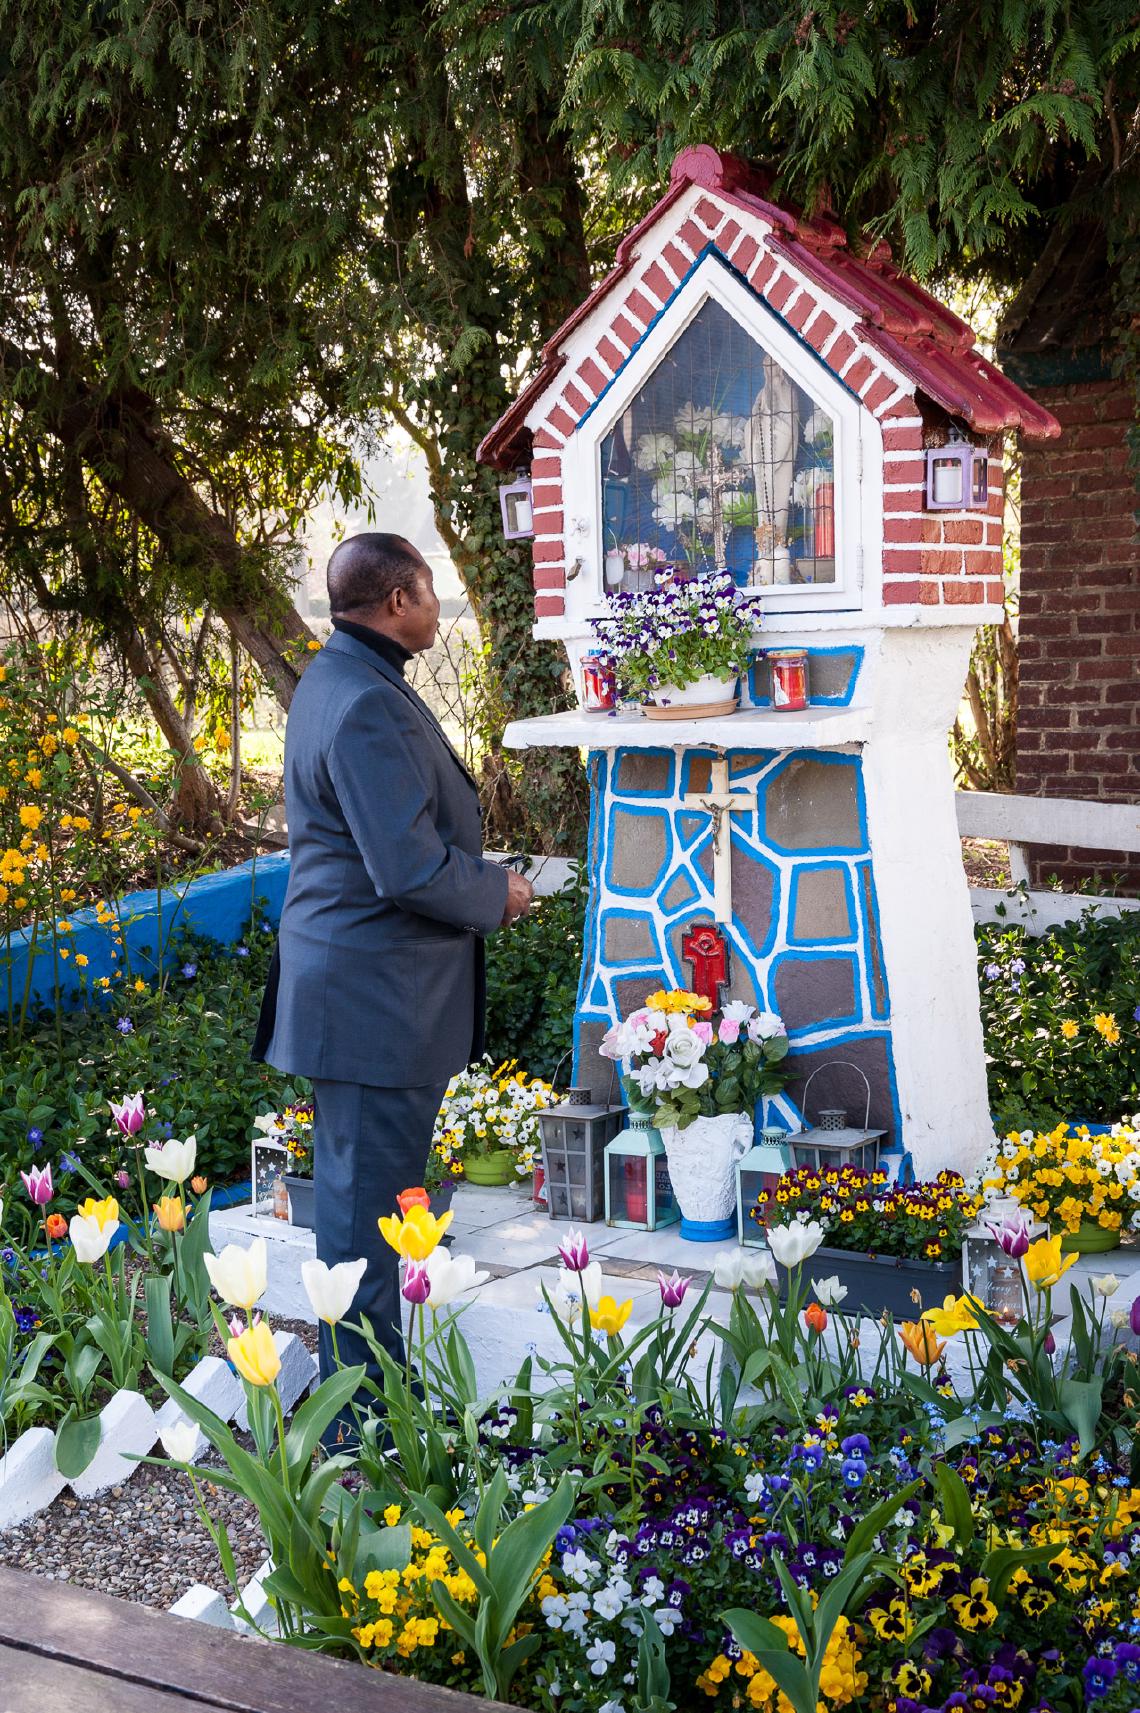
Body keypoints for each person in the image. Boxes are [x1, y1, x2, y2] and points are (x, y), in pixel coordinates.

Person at [252, 532, 533, 1414]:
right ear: (400, 601)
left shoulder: (335, 677)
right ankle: (366, 1417)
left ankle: (365, 1399)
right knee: (366, 1217)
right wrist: (501, 893)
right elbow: (407, 869)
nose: (439, 606)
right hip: (372, 1002)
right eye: (431, 589)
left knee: (360, 1204)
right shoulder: (364, 702)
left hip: (355, 992)